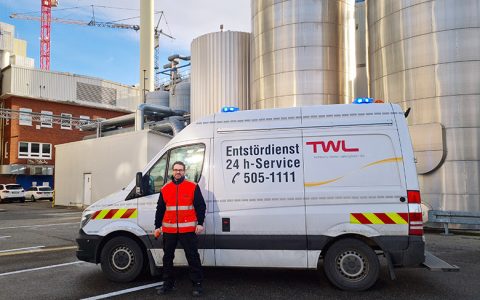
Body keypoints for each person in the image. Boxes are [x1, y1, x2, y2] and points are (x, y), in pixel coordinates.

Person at [154, 161, 206, 297]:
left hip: (188, 230)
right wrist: (157, 226)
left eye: (181, 170)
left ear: (185, 171)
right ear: (172, 171)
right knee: (167, 258)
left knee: (193, 257)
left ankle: (197, 284)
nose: (178, 172)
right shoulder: (165, 188)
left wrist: (200, 223)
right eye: (176, 170)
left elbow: (201, 206)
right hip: (169, 230)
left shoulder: (192, 186)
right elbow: (160, 209)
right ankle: (168, 283)